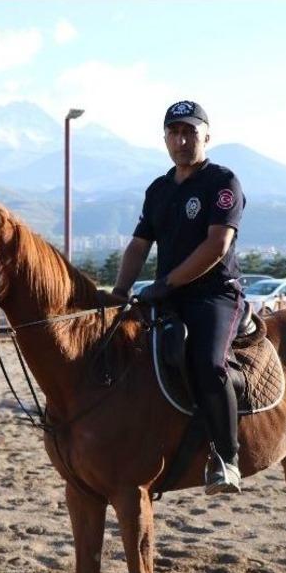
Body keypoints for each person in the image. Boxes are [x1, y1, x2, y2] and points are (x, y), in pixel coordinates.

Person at [111, 100, 245, 495]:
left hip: (214, 294)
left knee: (207, 362)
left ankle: (227, 458)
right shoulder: (159, 189)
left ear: (207, 135)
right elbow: (138, 247)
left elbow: (216, 247)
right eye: (175, 132)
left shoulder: (222, 182)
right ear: (165, 138)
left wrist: (165, 283)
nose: (182, 140)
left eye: (190, 132)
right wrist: (119, 292)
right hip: (167, 295)